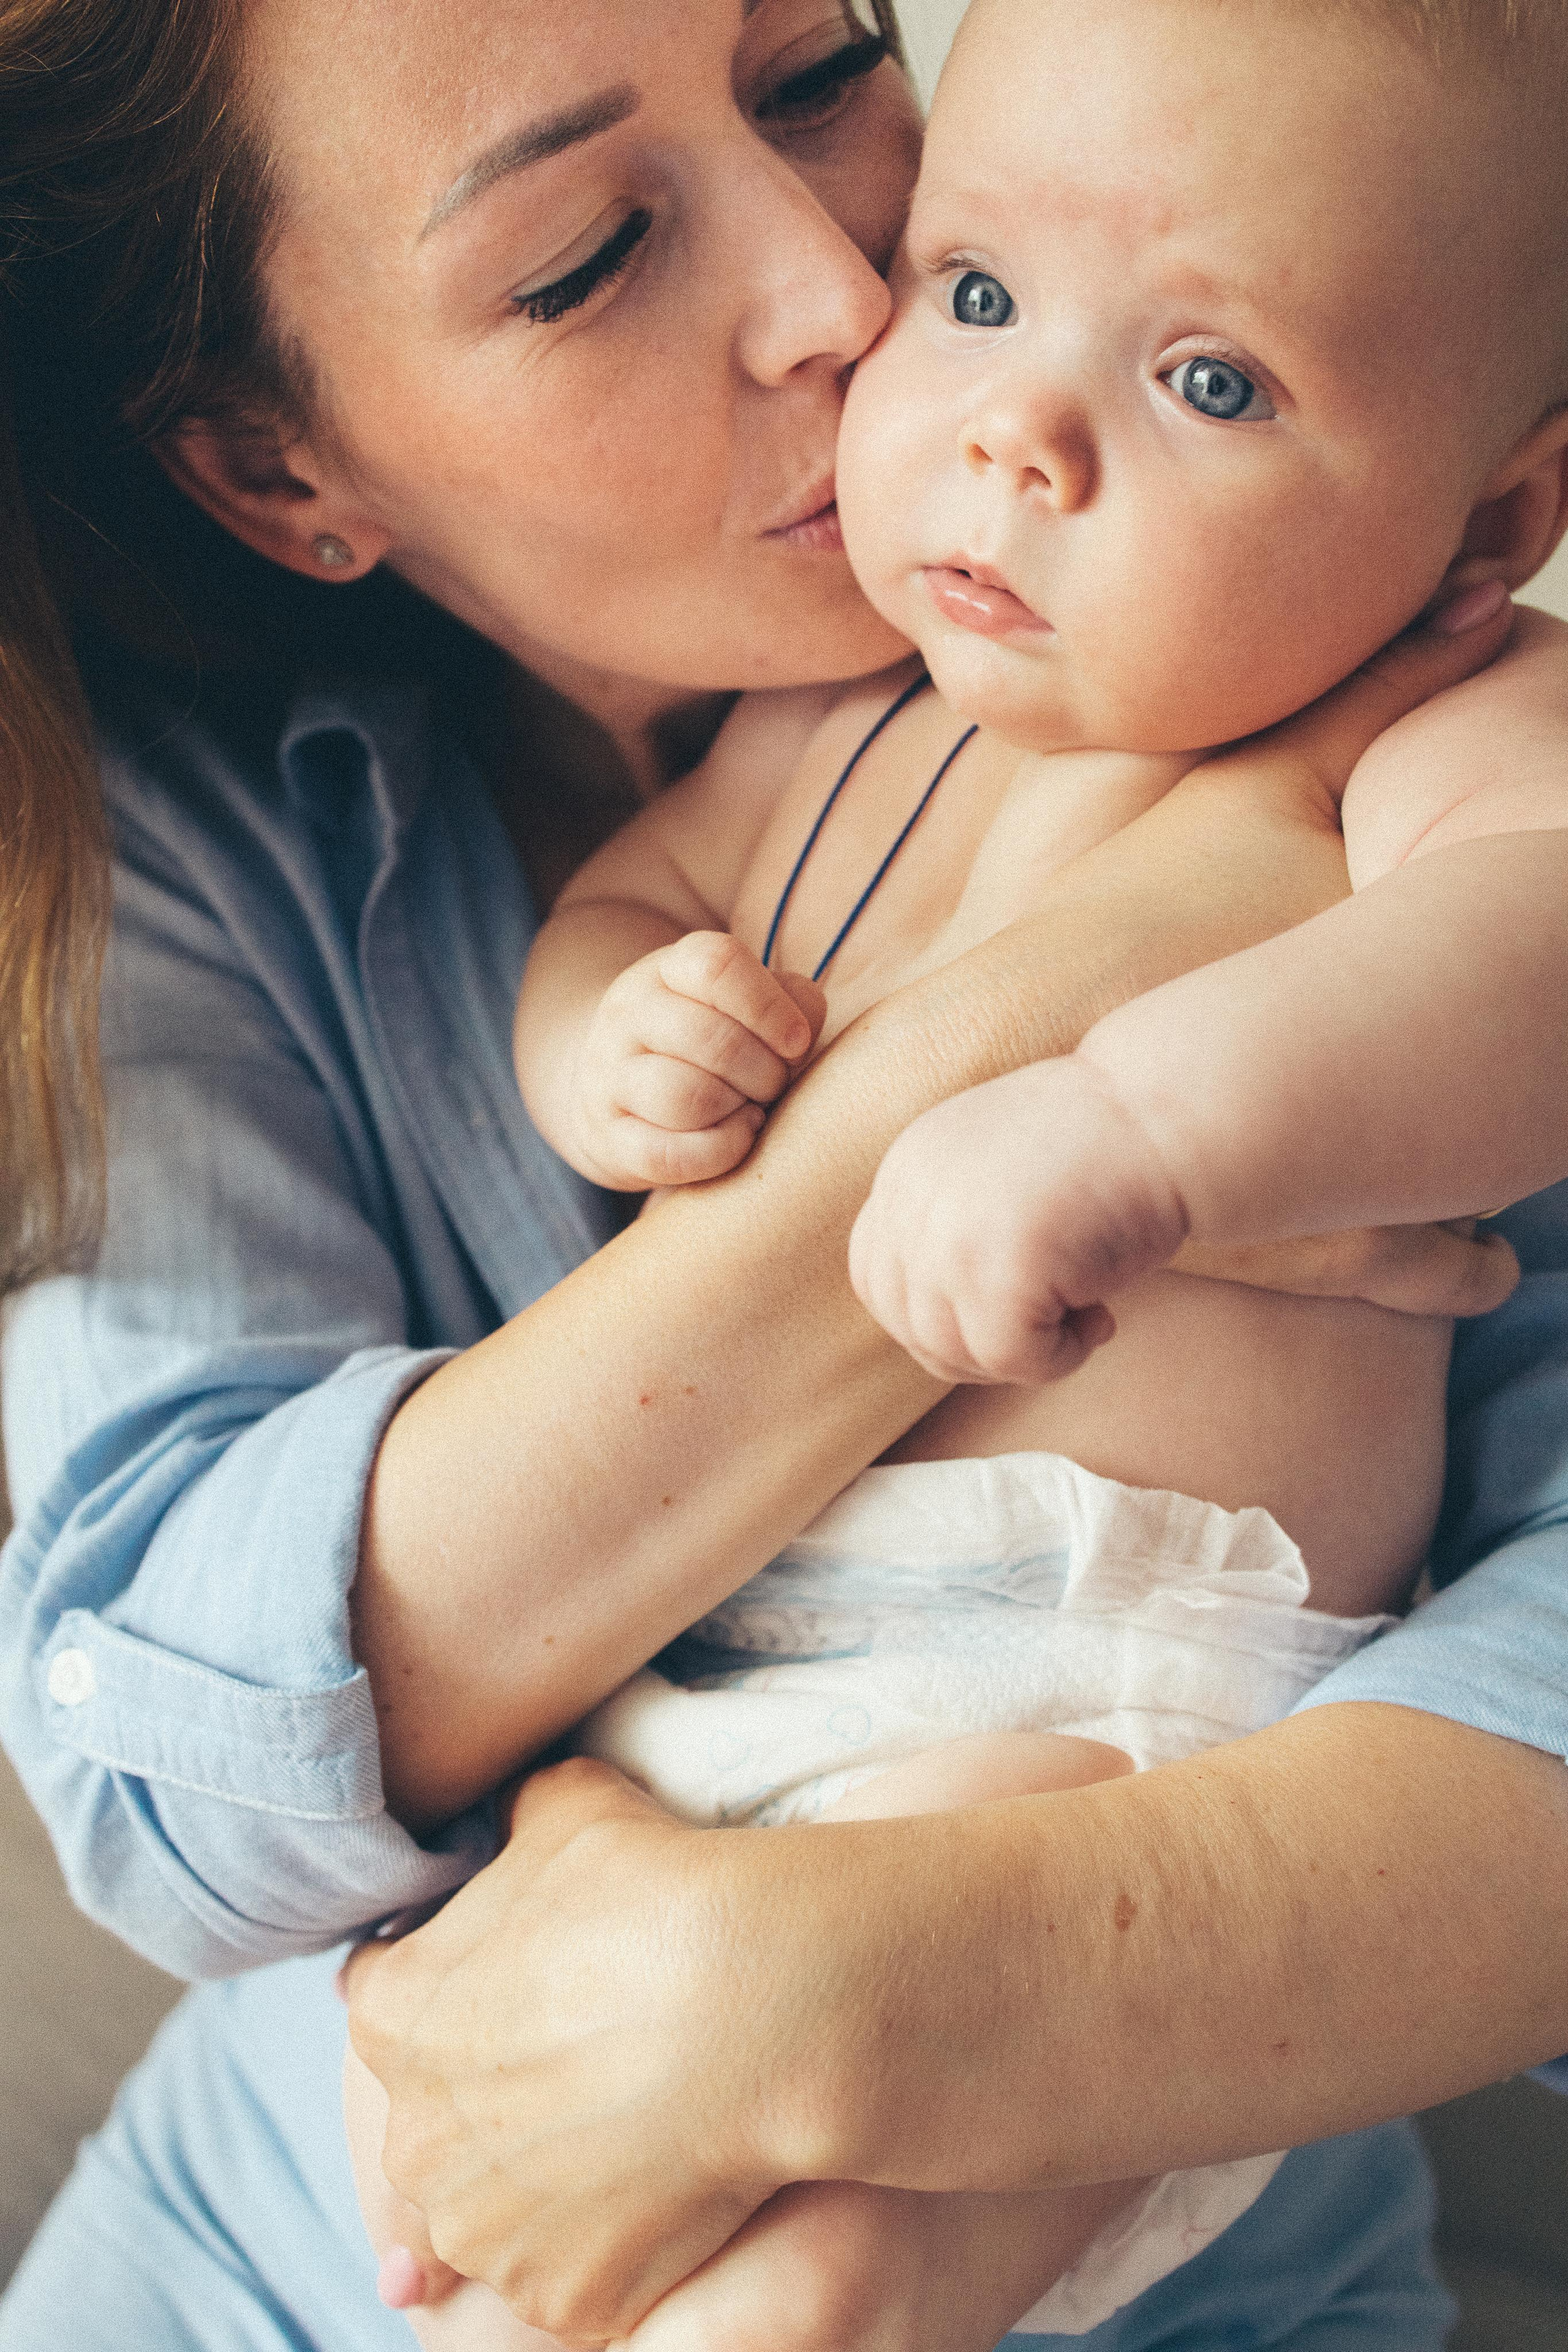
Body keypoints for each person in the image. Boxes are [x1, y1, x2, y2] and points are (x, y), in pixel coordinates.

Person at [0, 1, 1559, 2348]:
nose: (861, 299)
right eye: (590, 251)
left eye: (824, 70)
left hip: (1083, 1946)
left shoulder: (1377, 666)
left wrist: (871, 1989)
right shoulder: (205, 860)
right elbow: (171, 1757)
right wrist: (1076, 1007)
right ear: (280, 470)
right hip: (261, 2230)